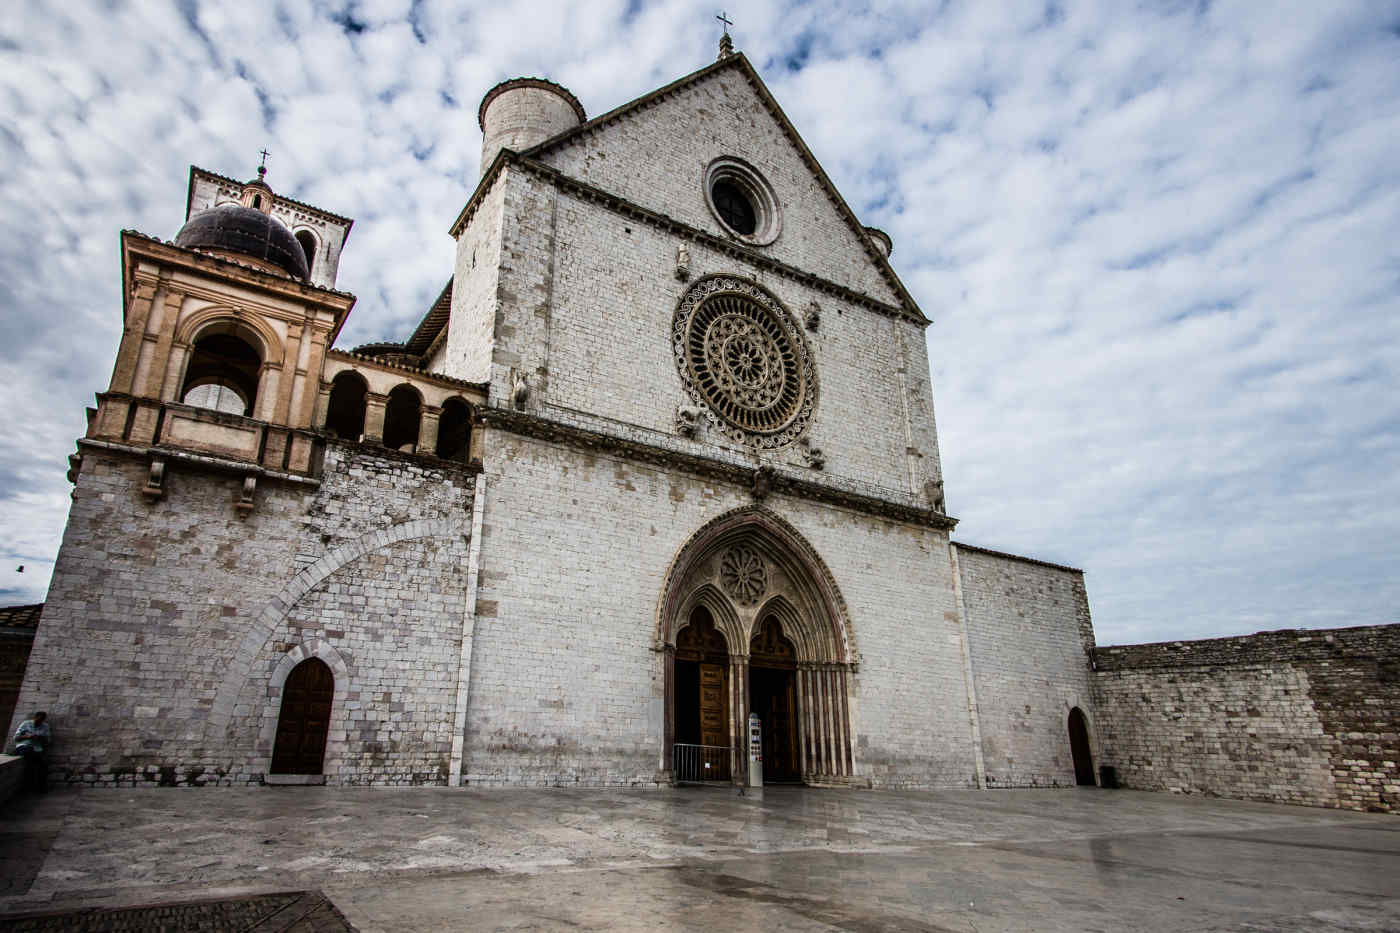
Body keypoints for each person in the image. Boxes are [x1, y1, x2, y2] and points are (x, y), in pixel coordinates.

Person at [13, 711, 50, 792]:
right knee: (31, 758)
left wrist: (39, 738)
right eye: (39, 719)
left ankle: (41, 787)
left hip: (37, 748)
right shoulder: (25, 724)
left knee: (42, 766)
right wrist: (27, 736)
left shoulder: (45, 726)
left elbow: (47, 741)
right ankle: (30, 786)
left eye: (42, 720)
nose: (40, 721)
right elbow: (16, 738)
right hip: (24, 746)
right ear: (35, 717)